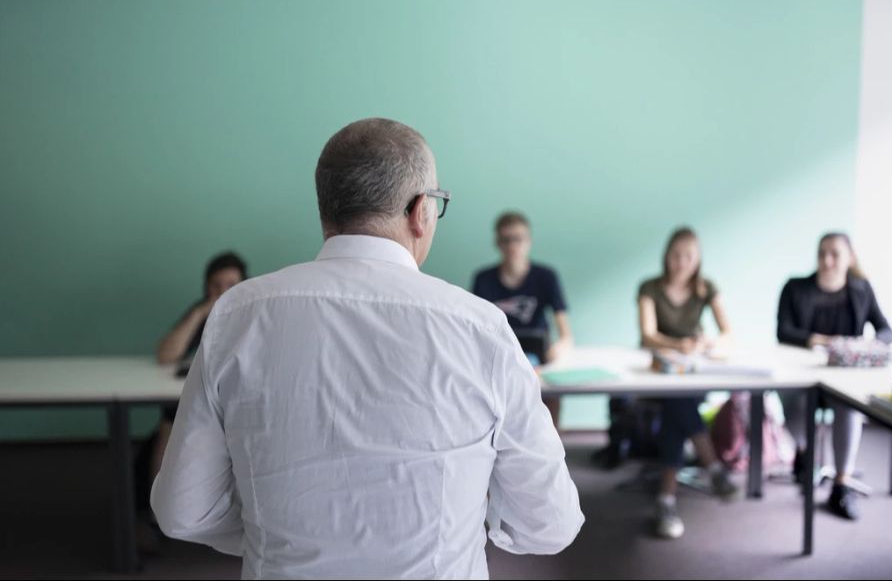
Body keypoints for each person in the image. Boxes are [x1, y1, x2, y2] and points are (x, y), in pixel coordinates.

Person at [151, 118, 584, 578]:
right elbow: (550, 524)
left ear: (326, 212)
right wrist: (471, 516)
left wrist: (270, 536)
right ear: (421, 211)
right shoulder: (481, 329)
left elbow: (182, 511)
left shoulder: (237, 316)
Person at [777, 232, 892, 520]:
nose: (827, 260)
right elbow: (783, 331)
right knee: (795, 405)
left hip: (843, 376)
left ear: (849, 258)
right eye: (822, 253)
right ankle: (804, 453)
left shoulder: (861, 289)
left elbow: (886, 331)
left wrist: (866, 344)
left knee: (850, 409)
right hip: (804, 377)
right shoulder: (796, 287)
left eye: (834, 254)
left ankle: (841, 485)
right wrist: (814, 339)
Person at [135, 252, 248, 548]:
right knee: (169, 420)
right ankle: (156, 518)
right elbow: (166, 355)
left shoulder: (252, 311)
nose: (223, 292)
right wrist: (200, 312)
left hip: (240, 398)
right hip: (202, 397)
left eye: (231, 284)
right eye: (216, 285)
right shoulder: (201, 313)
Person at [638, 227, 739, 539]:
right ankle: (713, 468)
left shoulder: (706, 288)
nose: (681, 262)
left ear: (697, 260)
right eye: (676, 255)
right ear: (666, 256)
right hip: (660, 370)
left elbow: (728, 332)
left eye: (688, 256)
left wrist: (707, 343)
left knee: (677, 408)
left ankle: (666, 500)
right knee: (678, 404)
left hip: (694, 370)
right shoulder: (650, 288)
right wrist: (676, 344)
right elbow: (648, 335)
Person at [472, 212, 573, 425]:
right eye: (506, 240)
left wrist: (558, 348)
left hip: (539, 360)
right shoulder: (483, 279)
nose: (512, 246)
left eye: (518, 239)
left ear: (529, 241)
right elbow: (474, 330)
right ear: (498, 243)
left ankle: (552, 446)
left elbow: (566, 335)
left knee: (548, 396)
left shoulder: (546, 276)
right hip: (498, 357)